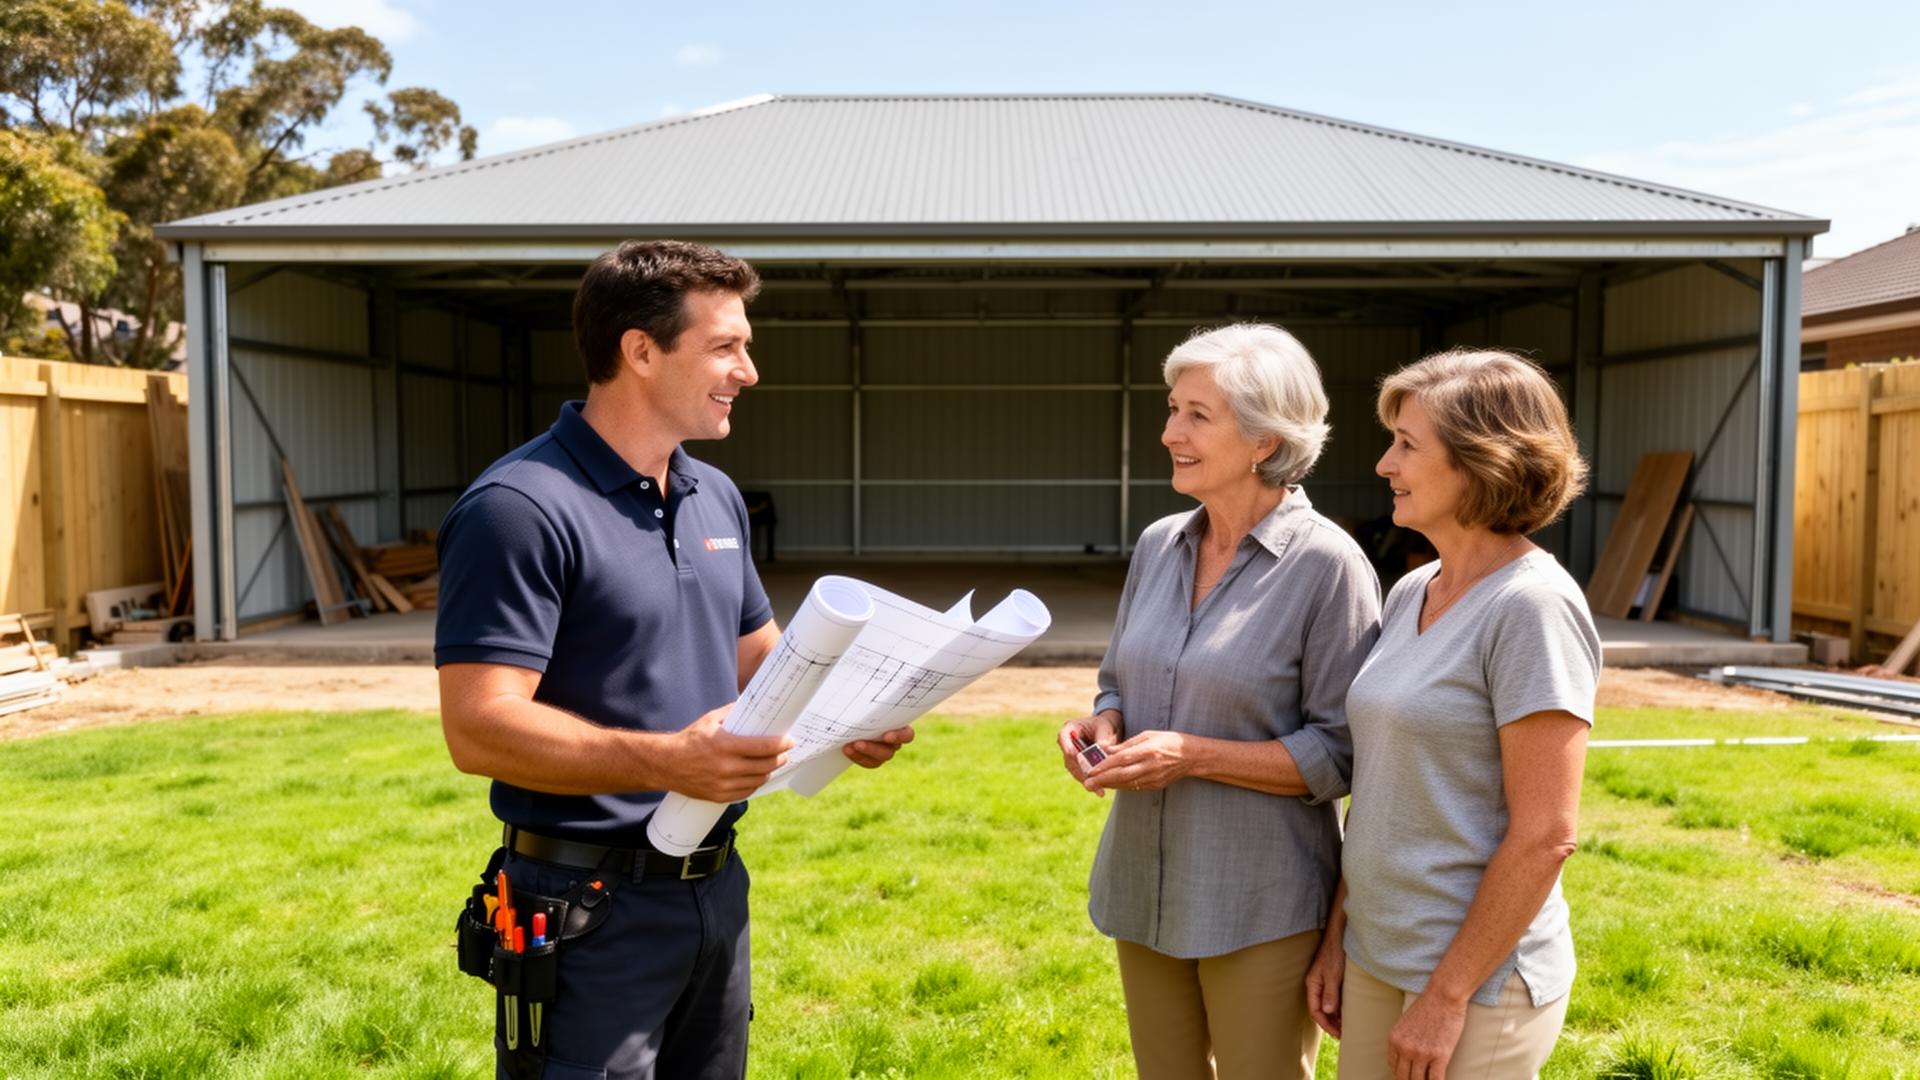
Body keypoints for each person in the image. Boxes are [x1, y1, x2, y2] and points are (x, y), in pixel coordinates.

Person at [435, 239, 913, 1080]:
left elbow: (762, 661)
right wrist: (667, 760)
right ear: (640, 351)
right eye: (725, 346)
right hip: (582, 907)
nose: (748, 371)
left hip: (715, 888)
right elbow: (478, 728)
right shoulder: (518, 509)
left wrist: (853, 719)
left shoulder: (713, 494)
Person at [1058, 323, 1381, 1080]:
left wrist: (1191, 755)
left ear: (1266, 439)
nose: (1170, 432)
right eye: (1173, 409)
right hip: (1143, 884)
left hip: (1260, 901)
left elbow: (1344, 754)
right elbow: (1119, 679)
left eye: (1197, 415)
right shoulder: (1159, 545)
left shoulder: (1328, 566)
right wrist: (1104, 721)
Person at [1305, 349, 1598, 1079]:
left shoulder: (1532, 607)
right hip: (1378, 952)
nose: (1384, 465)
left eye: (1407, 445)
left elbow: (1546, 835)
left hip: (1475, 982)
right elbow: (1379, 786)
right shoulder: (1413, 590)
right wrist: (1340, 935)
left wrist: (1445, 996)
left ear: (1482, 461)